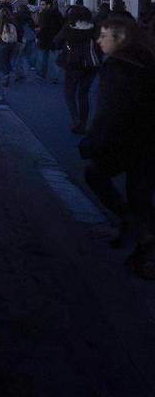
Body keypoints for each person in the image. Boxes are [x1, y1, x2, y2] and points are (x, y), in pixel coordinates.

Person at [78, 16, 155, 274]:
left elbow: (110, 109)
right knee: (139, 193)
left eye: (104, 36)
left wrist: (92, 140)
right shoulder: (145, 57)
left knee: (100, 175)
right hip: (145, 139)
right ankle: (137, 238)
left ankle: (142, 245)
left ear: (119, 39)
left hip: (130, 140)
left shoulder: (118, 67)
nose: (99, 41)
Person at [53, 4, 100, 133]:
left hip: (73, 63)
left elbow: (56, 41)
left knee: (69, 93)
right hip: (91, 65)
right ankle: (83, 123)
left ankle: (75, 119)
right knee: (83, 94)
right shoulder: (94, 28)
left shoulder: (69, 28)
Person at [0, 2, 23, 85]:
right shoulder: (14, 19)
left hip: (2, 43)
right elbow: (19, 31)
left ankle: (6, 76)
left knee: (3, 61)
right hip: (14, 43)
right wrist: (19, 41)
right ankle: (18, 74)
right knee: (13, 59)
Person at [36, 0, 64, 83]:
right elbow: (62, 25)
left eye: (43, 5)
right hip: (55, 38)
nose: (41, 6)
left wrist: (38, 36)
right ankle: (55, 76)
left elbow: (42, 27)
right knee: (55, 58)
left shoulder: (44, 13)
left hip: (45, 38)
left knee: (44, 57)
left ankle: (42, 74)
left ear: (48, 5)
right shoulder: (58, 13)